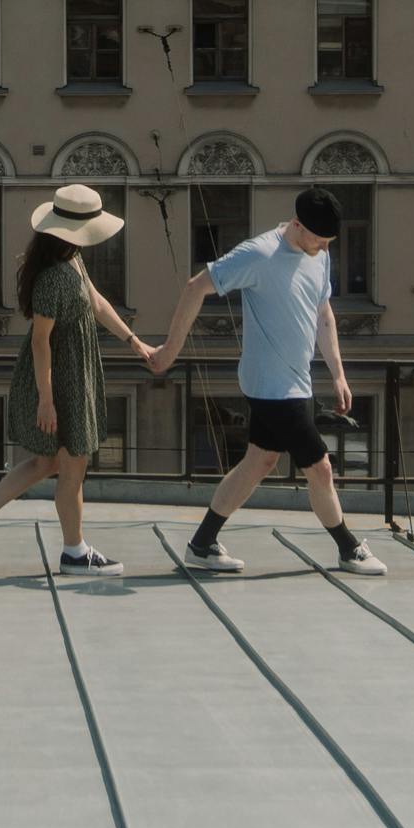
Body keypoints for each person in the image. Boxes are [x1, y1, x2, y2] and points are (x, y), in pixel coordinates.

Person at [143, 186, 384, 575]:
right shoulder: (259, 253)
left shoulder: (317, 255)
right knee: (320, 467)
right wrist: (171, 351)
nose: (323, 249)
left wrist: (338, 374)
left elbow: (323, 314)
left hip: (296, 382)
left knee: (259, 461)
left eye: (329, 243)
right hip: (270, 387)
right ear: (297, 225)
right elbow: (196, 286)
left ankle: (202, 544)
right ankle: (348, 548)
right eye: (319, 240)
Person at [0, 184, 150, 578]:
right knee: (71, 464)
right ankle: (73, 552)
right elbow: (41, 341)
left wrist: (132, 340)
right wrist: (47, 399)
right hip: (60, 380)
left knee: (50, 461)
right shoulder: (54, 277)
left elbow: (95, 301)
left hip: (70, 375)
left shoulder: (70, 260)